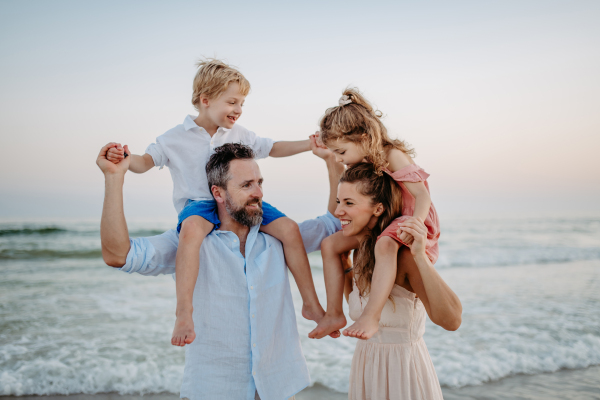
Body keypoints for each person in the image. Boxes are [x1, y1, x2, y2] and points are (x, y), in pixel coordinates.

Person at [96, 139, 344, 400]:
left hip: (279, 386)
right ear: (218, 193)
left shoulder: (278, 238)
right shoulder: (189, 244)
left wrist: (331, 162)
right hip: (214, 388)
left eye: (259, 183)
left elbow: (333, 224)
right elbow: (118, 255)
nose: (258, 192)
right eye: (246, 185)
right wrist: (114, 178)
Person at [104, 59, 324, 347]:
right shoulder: (174, 138)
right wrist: (124, 159)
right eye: (232, 101)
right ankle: (184, 311)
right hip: (198, 205)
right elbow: (146, 162)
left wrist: (309, 145)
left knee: (290, 229)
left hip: (239, 200)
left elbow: (272, 148)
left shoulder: (240, 134)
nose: (238, 109)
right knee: (191, 232)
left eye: (242, 103)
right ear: (205, 100)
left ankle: (310, 303)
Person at [309, 88, 441, 340]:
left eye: (341, 152)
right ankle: (334, 313)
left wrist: (414, 225)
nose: (339, 159)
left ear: (363, 137)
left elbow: (422, 196)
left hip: (411, 218)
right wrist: (327, 158)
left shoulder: (392, 155)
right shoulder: (363, 160)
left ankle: (371, 315)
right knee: (330, 244)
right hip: (386, 219)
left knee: (385, 245)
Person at [337, 163, 461, 400]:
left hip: (404, 376)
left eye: (349, 203)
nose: (338, 211)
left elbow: (453, 320)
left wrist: (420, 257)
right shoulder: (361, 253)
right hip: (366, 371)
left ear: (377, 209)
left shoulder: (403, 257)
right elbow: (358, 308)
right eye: (338, 202)